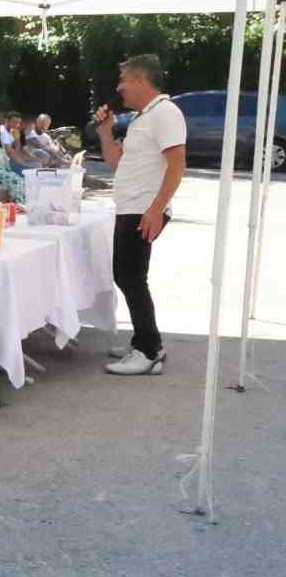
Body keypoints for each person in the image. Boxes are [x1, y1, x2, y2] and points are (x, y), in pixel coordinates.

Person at [95, 54, 185, 376]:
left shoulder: (165, 113)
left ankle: (149, 351)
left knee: (130, 277)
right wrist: (106, 133)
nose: (119, 88)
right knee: (130, 276)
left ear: (140, 81)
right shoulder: (142, 117)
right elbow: (118, 163)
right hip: (131, 207)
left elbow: (177, 165)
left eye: (124, 81)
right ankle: (145, 341)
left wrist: (156, 209)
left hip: (143, 209)